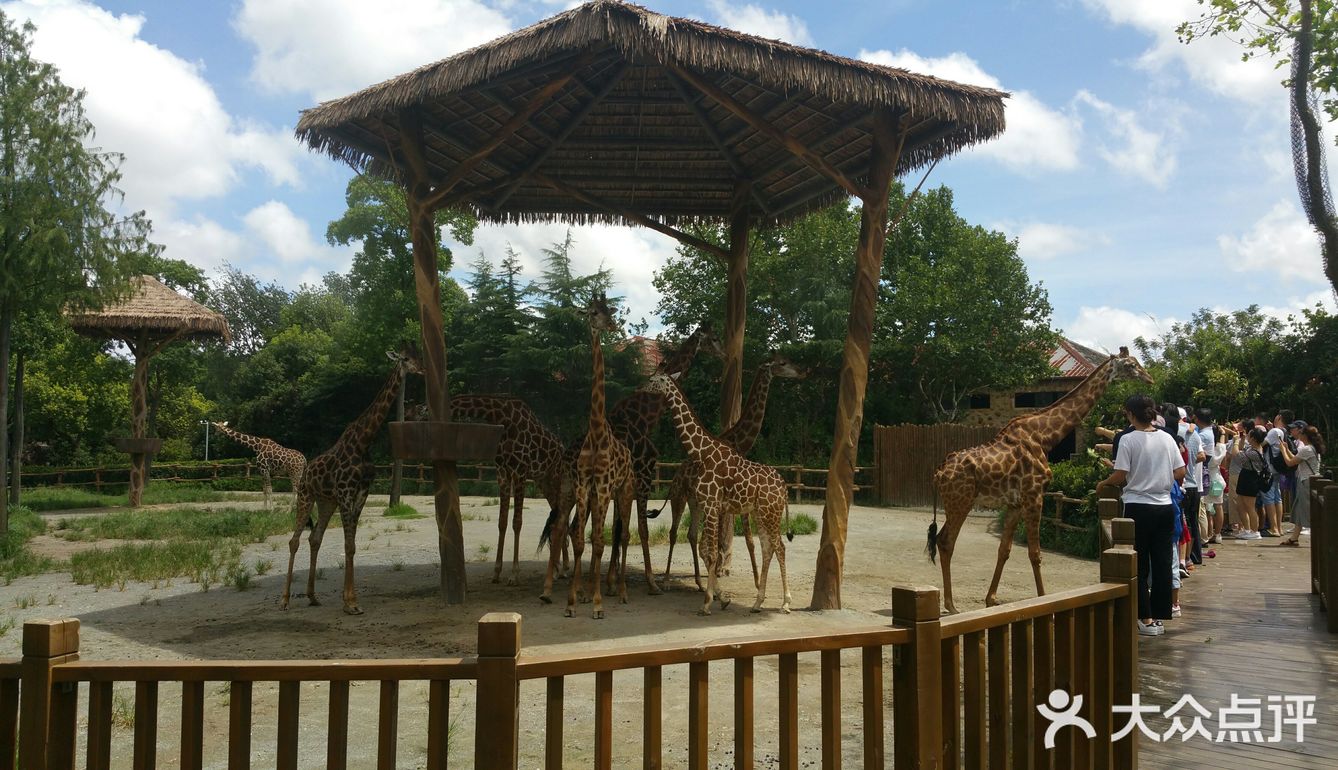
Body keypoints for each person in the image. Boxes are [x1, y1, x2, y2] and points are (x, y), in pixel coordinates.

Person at [1100, 394, 1185, 637]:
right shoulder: (1167, 438)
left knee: (1140, 563)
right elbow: (1180, 471)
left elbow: (1120, 475)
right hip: (1165, 506)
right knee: (1162, 563)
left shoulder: (1128, 440)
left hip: (1137, 505)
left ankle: (1144, 618)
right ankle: (1158, 616)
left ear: (1130, 414)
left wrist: (1103, 483)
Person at [1280, 422, 1325, 546]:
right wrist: (1287, 449)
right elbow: (1296, 458)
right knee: (1300, 509)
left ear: (1306, 436)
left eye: (1301, 433)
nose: (1299, 434)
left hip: (1307, 482)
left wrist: (1283, 450)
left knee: (1306, 510)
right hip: (1309, 480)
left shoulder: (1307, 449)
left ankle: (1320, 535)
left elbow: (1290, 462)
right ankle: (1294, 538)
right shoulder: (1312, 448)